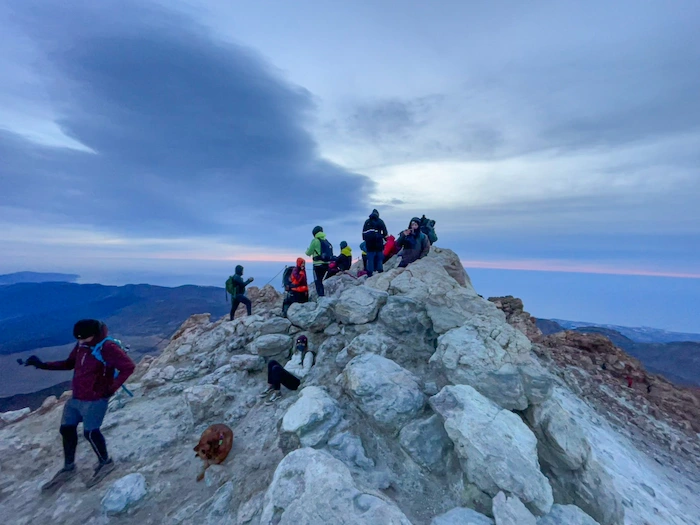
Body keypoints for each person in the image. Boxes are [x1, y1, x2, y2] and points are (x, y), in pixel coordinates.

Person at [23, 319, 135, 491]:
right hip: (77, 396)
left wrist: (110, 389)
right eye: (79, 339)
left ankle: (106, 462)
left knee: (90, 432)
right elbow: (69, 364)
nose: (81, 342)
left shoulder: (108, 348)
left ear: (96, 334)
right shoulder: (82, 345)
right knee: (66, 429)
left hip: (96, 398)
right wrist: (42, 365)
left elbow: (128, 366)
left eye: (84, 339)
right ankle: (69, 467)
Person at [305, 225, 330, 297]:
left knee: (318, 281)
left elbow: (309, 253)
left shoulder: (315, 241)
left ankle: (321, 297)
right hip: (326, 264)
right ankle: (323, 296)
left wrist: (307, 250)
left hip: (317, 265)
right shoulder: (326, 240)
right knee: (322, 280)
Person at [362, 209, 388, 277]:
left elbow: (363, 234)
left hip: (369, 244)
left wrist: (366, 240)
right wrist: (383, 238)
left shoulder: (367, 222)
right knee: (379, 258)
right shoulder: (380, 221)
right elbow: (385, 232)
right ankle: (380, 272)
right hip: (378, 243)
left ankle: (370, 273)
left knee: (370, 259)